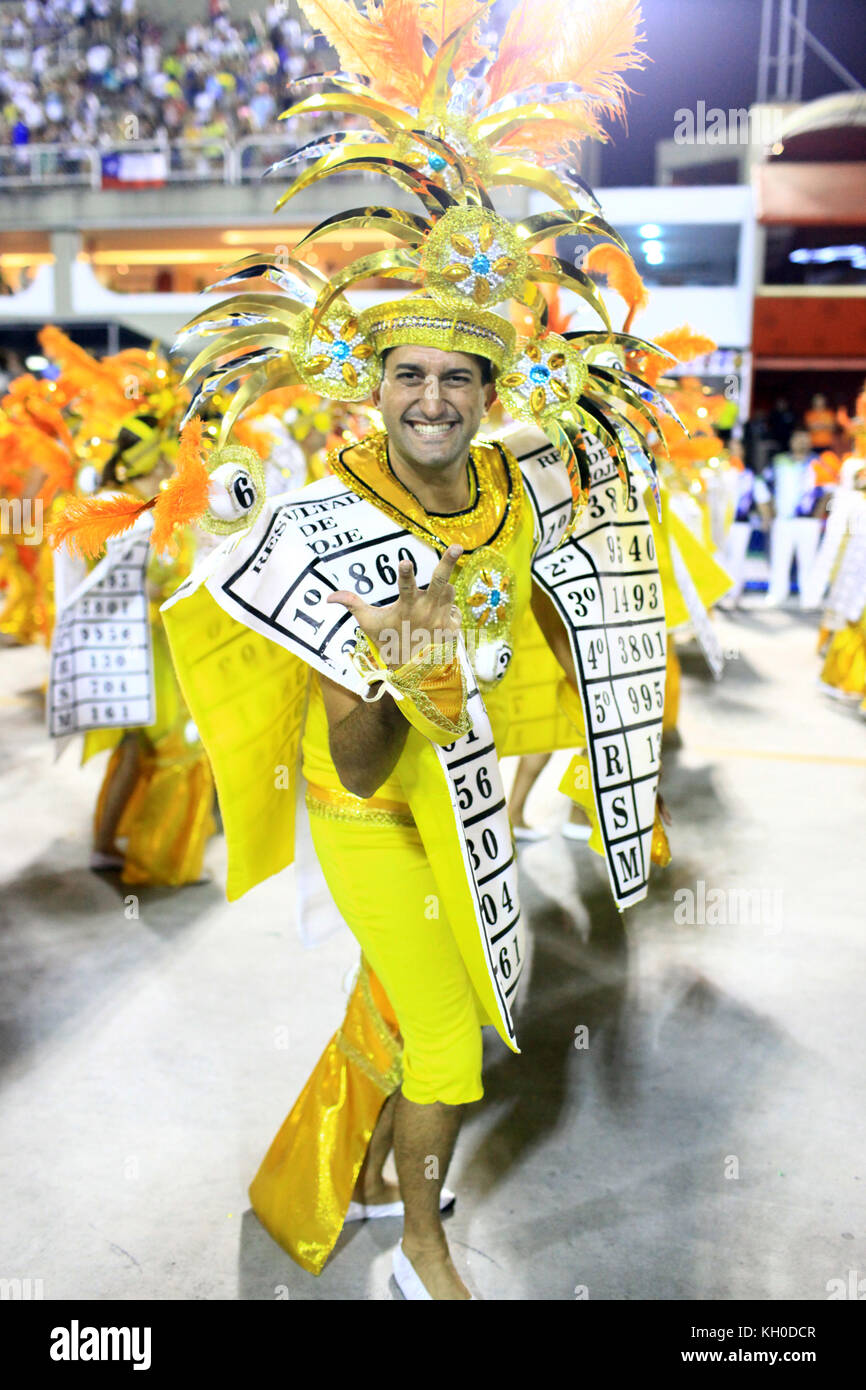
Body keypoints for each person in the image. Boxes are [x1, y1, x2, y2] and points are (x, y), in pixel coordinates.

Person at [53, 0, 675, 1301]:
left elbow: (545, 612)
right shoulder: (332, 516)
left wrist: (521, 743)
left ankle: (345, 1172)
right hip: (371, 807)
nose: (434, 399)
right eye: (410, 376)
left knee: (403, 1009)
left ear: (492, 398)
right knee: (449, 1036)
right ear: (372, 384)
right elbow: (352, 739)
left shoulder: (509, 495)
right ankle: (421, 1243)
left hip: (466, 796)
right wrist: (401, 661)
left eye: (460, 377)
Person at [756, 428, 824, 606]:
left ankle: (809, 597)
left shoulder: (818, 463)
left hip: (808, 521)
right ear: (791, 441)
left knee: (808, 560)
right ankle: (777, 594)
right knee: (780, 558)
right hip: (784, 520)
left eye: (805, 439)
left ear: (810, 442)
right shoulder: (779, 462)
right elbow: (762, 485)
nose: (801, 443)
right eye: (798, 438)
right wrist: (768, 513)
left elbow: (828, 490)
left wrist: (817, 515)